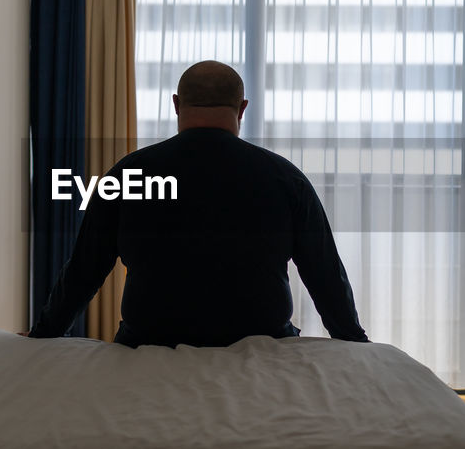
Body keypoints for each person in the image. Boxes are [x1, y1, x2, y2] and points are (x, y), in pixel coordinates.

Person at [29, 61, 368, 348]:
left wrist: (43, 335)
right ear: (243, 108)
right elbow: (325, 275)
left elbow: (84, 270)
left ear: (176, 104)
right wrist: (354, 342)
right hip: (263, 342)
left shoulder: (129, 175)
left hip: (149, 341)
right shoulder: (285, 179)